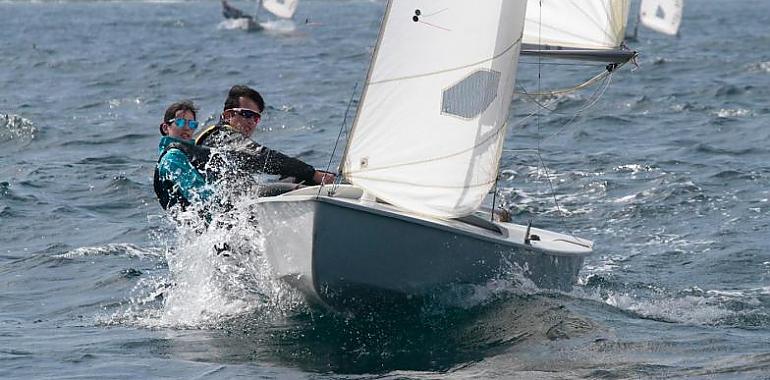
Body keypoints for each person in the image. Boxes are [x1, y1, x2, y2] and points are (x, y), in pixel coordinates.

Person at [195, 85, 335, 191]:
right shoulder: (220, 136)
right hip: (231, 207)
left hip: (242, 200)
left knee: (299, 178)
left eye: (256, 117)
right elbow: (261, 157)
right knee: (305, 186)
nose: (251, 121)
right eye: (247, 114)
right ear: (228, 116)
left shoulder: (227, 137)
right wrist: (312, 173)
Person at [153, 100, 214, 212]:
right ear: (166, 128)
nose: (187, 128)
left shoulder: (187, 154)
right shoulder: (172, 158)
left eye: (192, 124)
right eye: (180, 122)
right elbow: (201, 196)